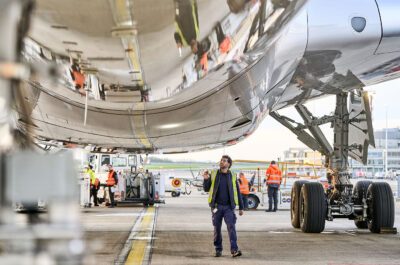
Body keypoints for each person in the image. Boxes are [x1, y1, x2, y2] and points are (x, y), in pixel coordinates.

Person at [203, 155, 244, 258]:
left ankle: (234, 250)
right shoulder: (214, 174)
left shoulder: (233, 176)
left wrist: (241, 207)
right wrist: (206, 179)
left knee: (231, 228)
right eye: (221, 160)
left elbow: (238, 192)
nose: (222, 162)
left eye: (224, 161)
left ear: (228, 164)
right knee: (217, 229)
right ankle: (218, 249)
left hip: (229, 207)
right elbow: (206, 189)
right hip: (216, 207)